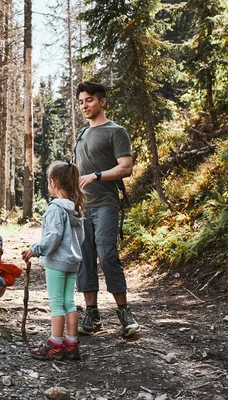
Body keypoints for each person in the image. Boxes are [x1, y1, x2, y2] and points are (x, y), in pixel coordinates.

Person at [74, 81, 140, 337]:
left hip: (106, 206)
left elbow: (126, 167)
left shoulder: (116, 131)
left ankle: (124, 313)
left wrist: (96, 175)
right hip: (81, 208)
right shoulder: (81, 134)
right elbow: (76, 171)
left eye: (89, 100)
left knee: (108, 254)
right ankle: (92, 315)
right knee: (84, 258)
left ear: (101, 101)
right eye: (81, 102)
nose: (84, 105)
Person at [21, 160, 85, 360]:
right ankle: (71, 343)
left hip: (57, 262)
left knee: (57, 304)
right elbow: (80, 238)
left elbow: (53, 237)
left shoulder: (56, 208)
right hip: (73, 261)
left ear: (53, 182)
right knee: (69, 302)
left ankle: (55, 345)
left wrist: (35, 250)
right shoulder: (76, 207)